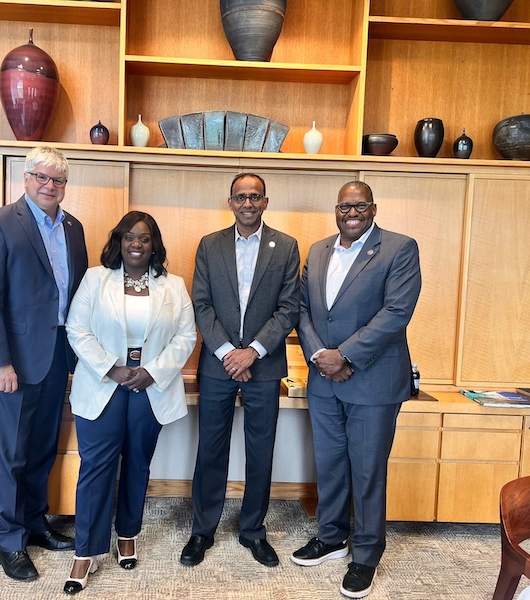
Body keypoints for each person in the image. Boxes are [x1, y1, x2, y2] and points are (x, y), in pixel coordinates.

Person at [294, 181, 421, 598]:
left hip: (373, 381)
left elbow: (396, 312)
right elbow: (303, 310)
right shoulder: (318, 251)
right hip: (323, 380)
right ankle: (331, 537)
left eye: (360, 206)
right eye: (345, 207)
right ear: (336, 209)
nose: (352, 213)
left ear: (373, 209)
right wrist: (321, 356)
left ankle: (365, 555)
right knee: (330, 464)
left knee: (367, 471)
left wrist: (345, 355)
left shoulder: (399, 248)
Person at [63, 211, 196, 594]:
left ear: (154, 245)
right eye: (129, 237)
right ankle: (86, 552)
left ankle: (128, 534)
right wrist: (112, 369)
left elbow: (186, 336)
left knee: (137, 464)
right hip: (102, 383)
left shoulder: (173, 286)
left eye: (144, 238)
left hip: (150, 386)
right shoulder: (95, 279)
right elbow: (77, 329)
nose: (136, 244)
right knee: (95, 468)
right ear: (118, 242)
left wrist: (152, 371)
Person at [0, 146, 88, 581]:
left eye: (58, 180)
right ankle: (10, 541)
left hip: (58, 354)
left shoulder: (73, 228)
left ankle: (36, 524)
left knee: (42, 448)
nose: (49, 186)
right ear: (26, 178)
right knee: (12, 453)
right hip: (13, 362)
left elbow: (78, 293)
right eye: (42, 177)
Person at [180, 173, 300, 568]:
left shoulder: (286, 246)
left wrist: (253, 353)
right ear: (230, 202)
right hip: (218, 364)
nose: (248, 203)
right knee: (210, 448)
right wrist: (231, 353)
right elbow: (201, 304)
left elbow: (288, 309)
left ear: (265, 202)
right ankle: (202, 530)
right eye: (240, 197)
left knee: (260, 451)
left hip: (264, 366)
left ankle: (252, 531)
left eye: (255, 197)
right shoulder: (209, 245)